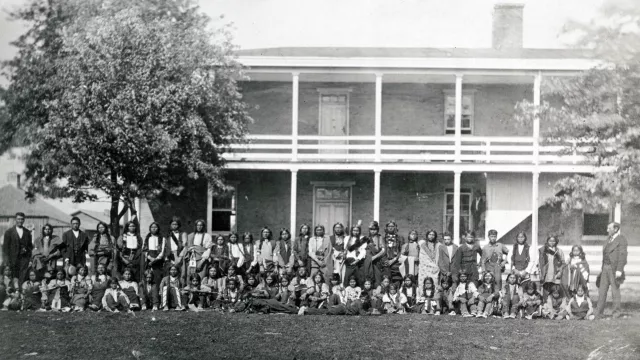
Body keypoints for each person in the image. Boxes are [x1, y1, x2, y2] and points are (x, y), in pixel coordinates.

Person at [595, 222, 628, 319]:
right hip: (605, 267)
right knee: (602, 291)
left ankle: (616, 313)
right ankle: (599, 313)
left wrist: (619, 269)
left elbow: (623, 255)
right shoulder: (608, 239)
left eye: (609, 228)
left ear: (616, 229)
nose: (607, 230)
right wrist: (602, 269)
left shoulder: (621, 239)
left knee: (615, 291)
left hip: (614, 269)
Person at [2, 212, 33, 285]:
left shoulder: (27, 232)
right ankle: (14, 292)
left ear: (24, 220)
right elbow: (5, 248)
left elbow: (30, 246)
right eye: (18, 219)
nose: (20, 221)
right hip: (13, 259)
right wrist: (6, 260)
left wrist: (28, 256)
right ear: (15, 220)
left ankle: (21, 292)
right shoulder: (9, 232)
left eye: (22, 219)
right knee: (13, 276)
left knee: (23, 276)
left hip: (24, 259)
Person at [538, 235, 565, 302]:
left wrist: (560, 272)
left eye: (553, 241)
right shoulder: (543, 250)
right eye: (550, 241)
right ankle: (545, 303)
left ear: (556, 242)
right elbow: (539, 262)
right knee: (546, 288)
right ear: (547, 241)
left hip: (555, 273)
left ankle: (555, 304)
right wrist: (540, 272)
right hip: (546, 272)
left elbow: (563, 263)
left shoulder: (559, 251)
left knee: (555, 288)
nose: (552, 242)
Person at [142, 222, 165, 289]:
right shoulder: (147, 238)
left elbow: (162, 251)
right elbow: (144, 250)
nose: (154, 229)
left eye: (155, 227)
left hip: (158, 261)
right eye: (152, 227)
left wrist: (155, 259)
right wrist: (149, 257)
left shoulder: (162, 238)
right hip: (149, 259)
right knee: (149, 276)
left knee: (157, 277)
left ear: (158, 228)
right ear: (150, 228)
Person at [365, 221, 387, 288]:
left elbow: (383, 250)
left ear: (377, 230)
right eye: (371, 229)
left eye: (374, 229)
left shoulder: (380, 238)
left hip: (377, 261)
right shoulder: (366, 238)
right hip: (368, 261)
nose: (373, 231)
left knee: (378, 279)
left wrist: (375, 257)